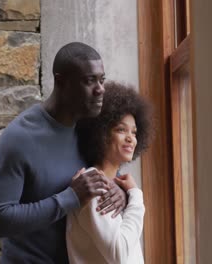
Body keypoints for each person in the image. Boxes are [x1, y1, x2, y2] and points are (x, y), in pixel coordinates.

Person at [0, 42, 127, 263]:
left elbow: (106, 175)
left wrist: (120, 190)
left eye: (102, 80)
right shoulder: (20, 137)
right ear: (60, 82)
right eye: (89, 81)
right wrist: (71, 197)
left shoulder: (91, 128)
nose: (100, 89)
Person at [67, 81, 153, 263]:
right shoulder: (92, 185)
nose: (131, 138)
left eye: (134, 132)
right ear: (100, 134)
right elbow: (119, 253)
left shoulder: (113, 185)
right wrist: (136, 197)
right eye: (121, 130)